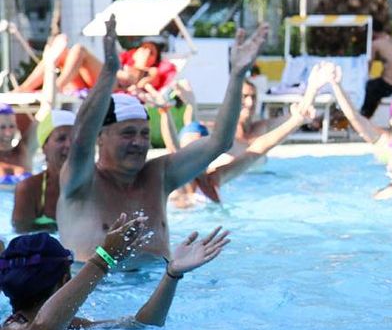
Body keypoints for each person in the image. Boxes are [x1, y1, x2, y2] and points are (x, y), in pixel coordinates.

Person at [57, 16, 267, 269]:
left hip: (161, 287)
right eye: (128, 133)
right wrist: (109, 73)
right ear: (101, 136)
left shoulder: (159, 175)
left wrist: (237, 75)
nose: (139, 142)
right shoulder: (80, 182)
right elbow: (81, 139)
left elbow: (219, 143)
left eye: (145, 134)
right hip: (101, 290)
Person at [0, 217, 230, 330]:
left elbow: (143, 324)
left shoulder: (72, 327)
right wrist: (103, 258)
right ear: (65, 279)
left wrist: (172, 274)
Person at [165, 68, 323, 207]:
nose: (250, 102)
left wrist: (312, 90)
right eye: (245, 96)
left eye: (254, 97)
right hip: (238, 189)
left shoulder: (215, 179)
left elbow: (260, 148)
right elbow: (178, 144)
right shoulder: (219, 135)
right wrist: (173, 110)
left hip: (261, 187)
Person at [12, 109, 75, 232]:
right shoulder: (29, 189)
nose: (69, 145)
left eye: (74, 139)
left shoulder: (92, 186)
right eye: (61, 139)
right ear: (44, 147)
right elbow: (19, 238)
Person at [361, 19, 392, 117]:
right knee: (373, 85)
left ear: (372, 32)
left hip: (387, 85)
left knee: (366, 88)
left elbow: (367, 67)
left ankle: (363, 117)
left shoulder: (375, 44)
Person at [0, 104, 36, 179]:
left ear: (16, 127)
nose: (8, 133)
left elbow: (46, 109)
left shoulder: (25, 150)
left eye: (11, 126)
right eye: (2, 127)